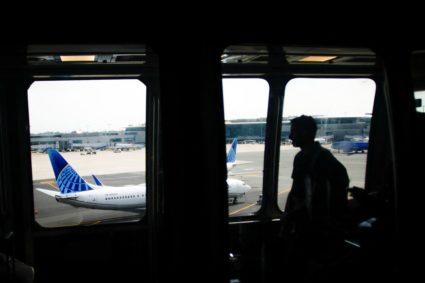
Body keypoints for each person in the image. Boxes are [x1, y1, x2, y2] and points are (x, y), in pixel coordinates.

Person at [280, 115, 349, 281]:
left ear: (304, 133)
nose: (290, 137)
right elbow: (296, 190)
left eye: (293, 132)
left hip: (318, 231)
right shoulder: (302, 157)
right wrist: (287, 216)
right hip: (304, 226)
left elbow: (330, 196)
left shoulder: (324, 160)